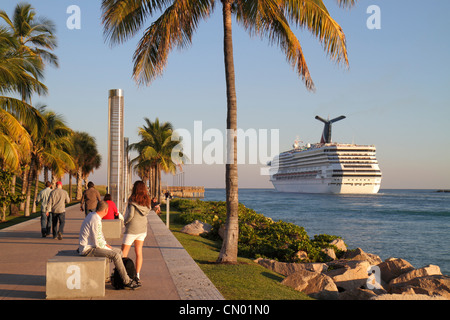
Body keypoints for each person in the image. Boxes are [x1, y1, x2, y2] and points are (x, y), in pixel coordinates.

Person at [78, 201, 140, 290]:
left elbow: (99, 237)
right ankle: (126, 281)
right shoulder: (95, 220)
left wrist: (106, 245)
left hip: (91, 246)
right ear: (106, 210)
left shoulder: (93, 216)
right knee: (115, 255)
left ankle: (119, 277)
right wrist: (107, 248)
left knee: (119, 251)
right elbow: (98, 244)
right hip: (87, 250)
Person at [122, 181, 151, 284]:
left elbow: (130, 216)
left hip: (132, 229)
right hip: (142, 229)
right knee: (139, 252)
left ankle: (123, 273)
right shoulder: (147, 200)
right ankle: (137, 274)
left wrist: (124, 222)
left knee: (124, 252)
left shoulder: (132, 200)